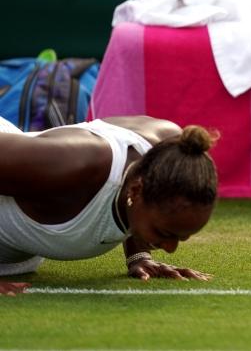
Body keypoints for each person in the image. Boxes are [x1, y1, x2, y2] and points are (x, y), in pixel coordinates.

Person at [0, 115, 218, 296]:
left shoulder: (169, 155)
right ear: (135, 191)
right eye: (164, 233)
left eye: (180, 238)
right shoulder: (72, 163)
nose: (171, 249)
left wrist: (139, 255)